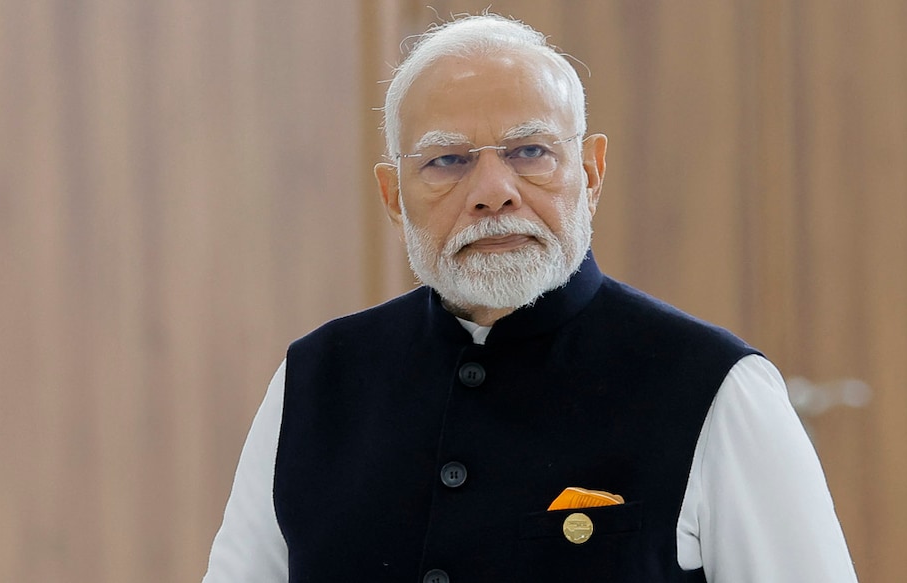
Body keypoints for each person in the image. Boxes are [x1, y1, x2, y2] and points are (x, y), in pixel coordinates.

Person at [202, 13, 857, 583]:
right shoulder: (315, 380)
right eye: (447, 161)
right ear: (393, 195)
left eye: (529, 151)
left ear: (591, 172)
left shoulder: (717, 387)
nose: (494, 190)